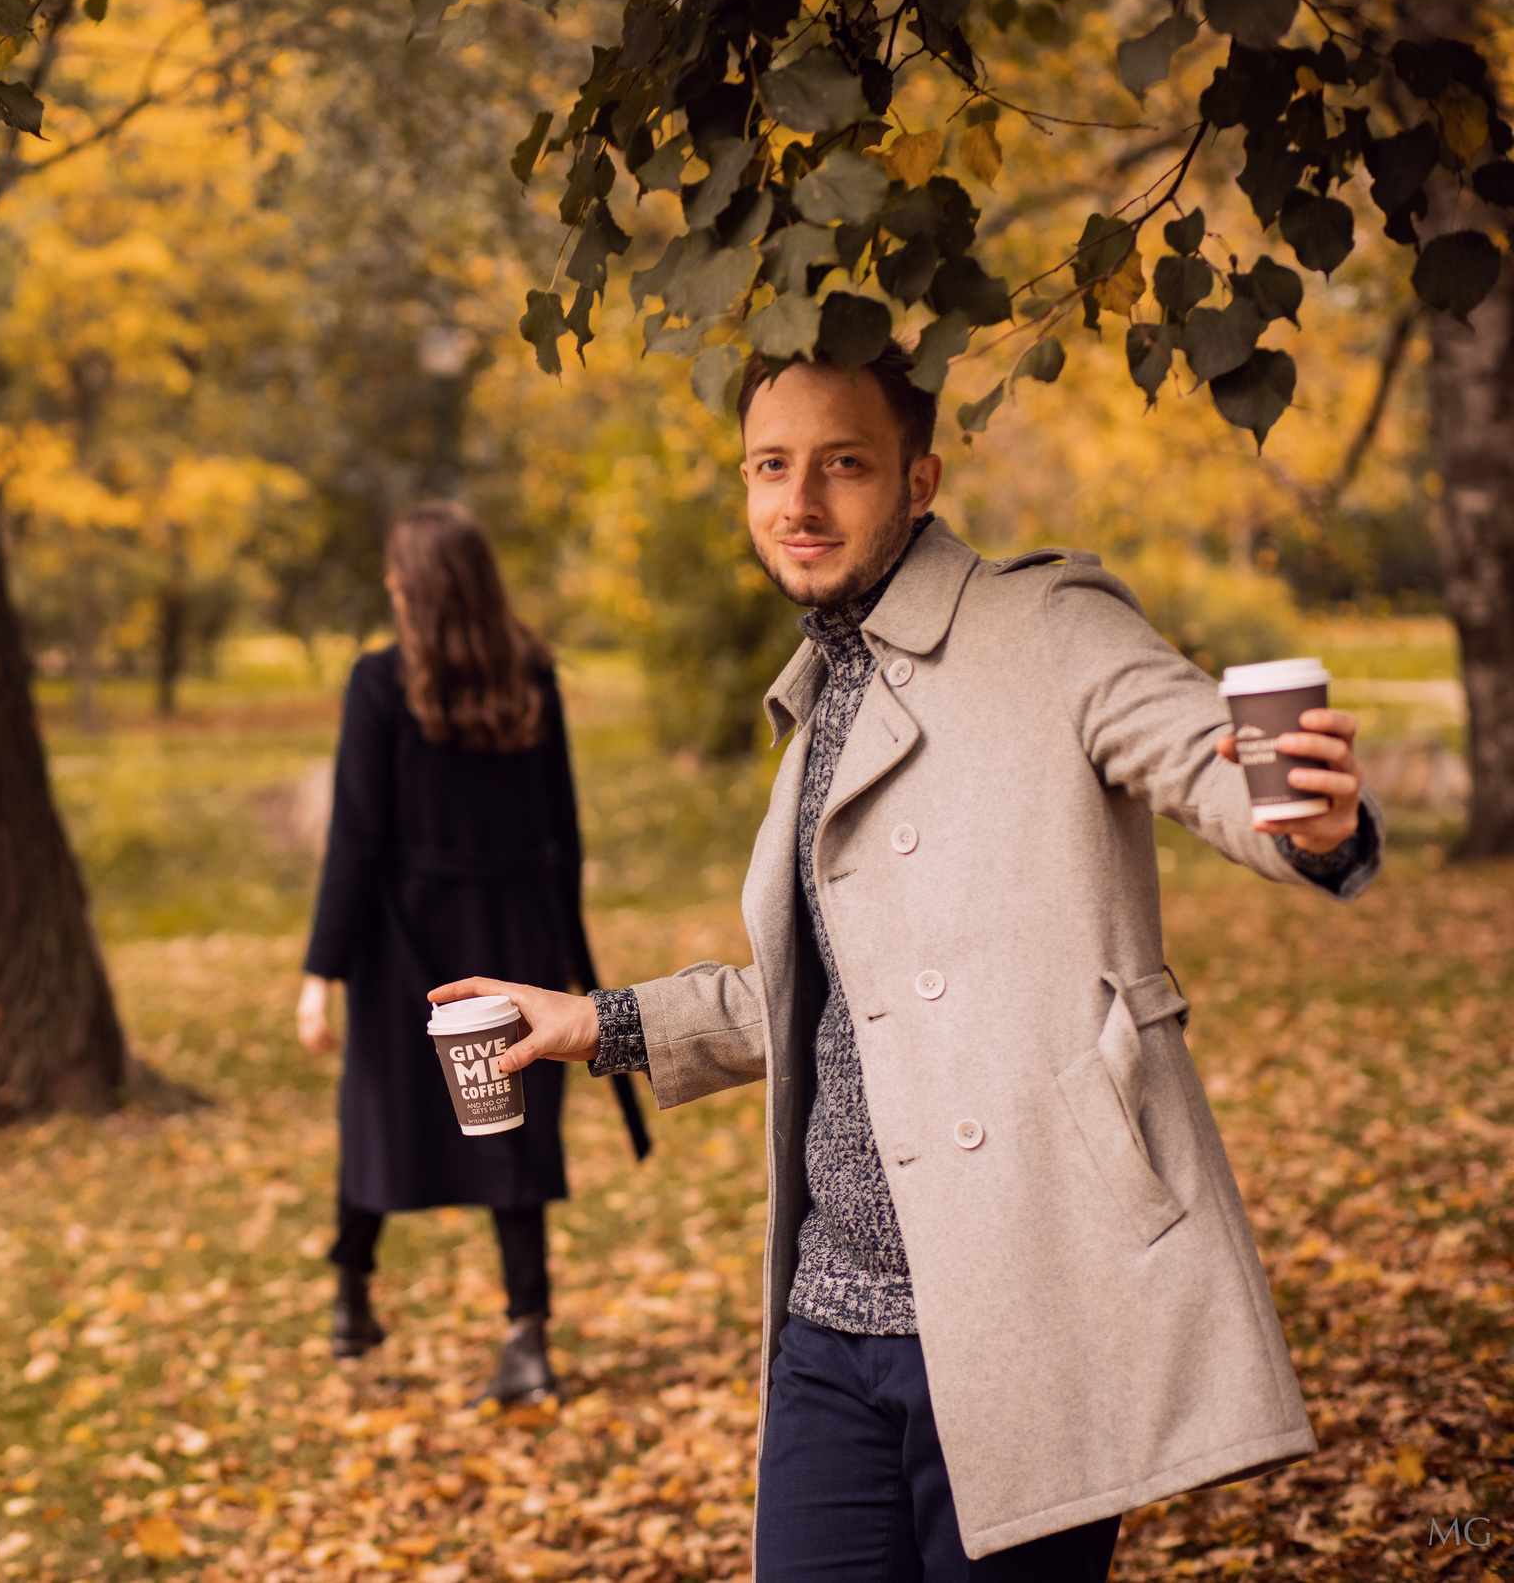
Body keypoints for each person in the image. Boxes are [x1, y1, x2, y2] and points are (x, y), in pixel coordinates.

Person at [432, 344, 1380, 1580]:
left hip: (1024, 1301)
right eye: (769, 467)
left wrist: (1306, 822)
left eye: (843, 465)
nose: (799, 502)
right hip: (829, 1319)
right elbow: (848, 995)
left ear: (918, 480)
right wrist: (595, 1023)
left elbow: (1197, 750)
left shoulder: (1047, 628)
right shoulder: (826, 687)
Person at [296, 501, 649, 1405]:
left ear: (413, 585)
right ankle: (526, 1334)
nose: (388, 585)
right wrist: (568, 950)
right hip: (514, 935)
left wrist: (321, 972)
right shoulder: (530, 678)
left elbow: (355, 838)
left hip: (403, 944)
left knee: (378, 1116)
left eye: (394, 573)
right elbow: (562, 831)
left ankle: (349, 1300)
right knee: (508, 1125)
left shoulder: (379, 681)